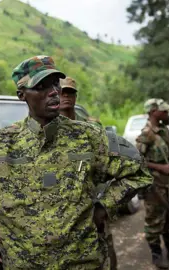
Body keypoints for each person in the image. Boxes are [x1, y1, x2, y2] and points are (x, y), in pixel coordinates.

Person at [0, 56, 152, 269]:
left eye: (55, 83)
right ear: (22, 95)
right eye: (42, 86)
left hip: (83, 263)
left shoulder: (89, 137)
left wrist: (103, 208)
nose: (54, 92)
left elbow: (139, 172)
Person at [59, 76, 117, 270]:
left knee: (105, 252)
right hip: (62, 211)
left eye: (70, 93)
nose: (66, 97)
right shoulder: (48, 128)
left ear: (75, 97)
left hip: (92, 202)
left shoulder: (92, 128)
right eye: (62, 92)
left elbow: (109, 167)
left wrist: (105, 204)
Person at [135, 98, 169, 269]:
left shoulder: (163, 130)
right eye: (163, 111)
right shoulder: (146, 133)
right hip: (154, 187)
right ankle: (156, 254)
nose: (166, 113)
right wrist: (160, 167)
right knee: (154, 220)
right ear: (153, 111)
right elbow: (136, 161)